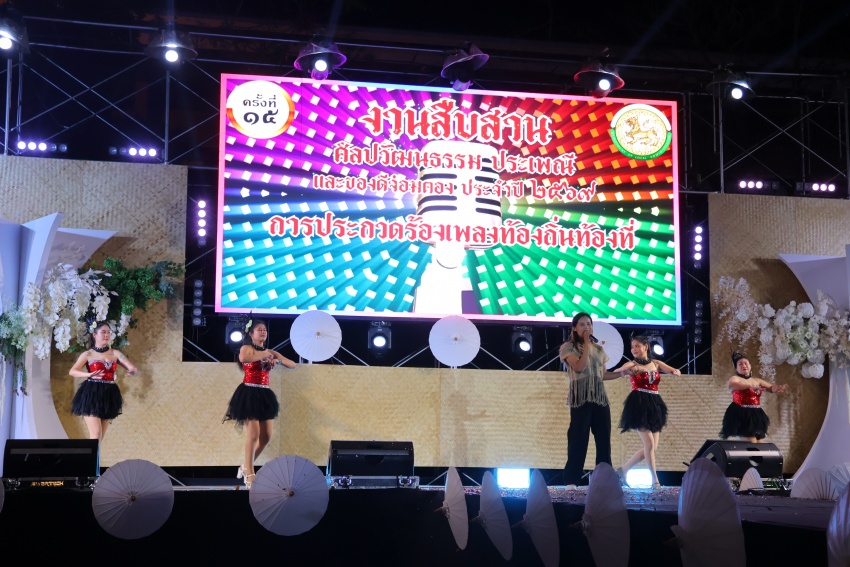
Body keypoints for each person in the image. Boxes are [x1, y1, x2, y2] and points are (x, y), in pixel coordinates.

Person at [224, 319, 296, 489]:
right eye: (259, 329)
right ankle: (250, 474)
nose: (263, 332)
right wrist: (263, 356)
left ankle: (245, 466)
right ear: (251, 333)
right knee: (253, 435)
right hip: (249, 393)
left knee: (266, 436)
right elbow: (244, 357)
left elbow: (292, 364)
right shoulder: (247, 348)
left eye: (264, 330)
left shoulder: (270, 351)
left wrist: (277, 361)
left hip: (264, 394)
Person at [559, 312, 625, 487]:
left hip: (599, 398)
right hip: (581, 398)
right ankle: (571, 480)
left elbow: (603, 375)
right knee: (578, 440)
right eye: (582, 324)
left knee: (604, 440)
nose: (587, 327)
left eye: (589, 324)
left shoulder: (599, 349)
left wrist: (623, 373)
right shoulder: (568, 347)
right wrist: (587, 344)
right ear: (574, 328)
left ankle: (604, 480)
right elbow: (579, 367)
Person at [612, 335, 682, 489]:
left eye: (637, 346)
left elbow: (673, 370)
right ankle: (655, 481)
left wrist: (676, 372)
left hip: (655, 405)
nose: (634, 349)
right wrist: (627, 370)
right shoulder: (632, 363)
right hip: (638, 404)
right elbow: (618, 370)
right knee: (649, 444)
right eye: (632, 346)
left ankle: (622, 470)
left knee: (652, 448)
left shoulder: (656, 363)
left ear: (646, 347)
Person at [68, 321, 138, 441]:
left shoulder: (115, 353)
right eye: (103, 332)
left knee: (100, 438)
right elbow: (72, 371)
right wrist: (88, 374)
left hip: (109, 393)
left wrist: (131, 371)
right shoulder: (88, 354)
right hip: (92, 393)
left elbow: (132, 368)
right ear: (95, 335)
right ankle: (89, 454)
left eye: (108, 332)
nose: (106, 335)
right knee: (95, 434)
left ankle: (94, 454)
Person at [720, 351, 787, 442]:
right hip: (741, 413)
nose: (744, 365)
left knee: (760, 443)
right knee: (751, 442)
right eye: (740, 364)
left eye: (746, 363)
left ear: (750, 366)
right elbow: (732, 385)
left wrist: (777, 388)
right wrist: (749, 386)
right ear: (736, 368)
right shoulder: (735, 378)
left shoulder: (757, 380)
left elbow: (770, 388)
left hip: (756, 413)